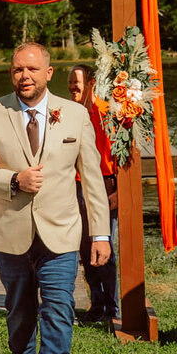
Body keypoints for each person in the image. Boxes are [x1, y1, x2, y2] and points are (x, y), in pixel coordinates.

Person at [0, 43, 110, 354]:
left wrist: (100, 235)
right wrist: (12, 179)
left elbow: (92, 179)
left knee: (59, 311)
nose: (24, 76)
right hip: (9, 231)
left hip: (61, 233)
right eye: (16, 70)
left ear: (48, 72)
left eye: (31, 69)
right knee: (19, 311)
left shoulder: (77, 115)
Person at [68, 64, 119, 324]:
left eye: (76, 83)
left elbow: (122, 154)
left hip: (105, 184)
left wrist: (119, 192)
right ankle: (96, 305)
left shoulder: (106, 113)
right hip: (78, 185)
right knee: (85, 248)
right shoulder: (72, 113)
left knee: (104, 246)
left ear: (91, 83)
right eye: (69, 84)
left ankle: (112, 307)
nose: (72, 88)